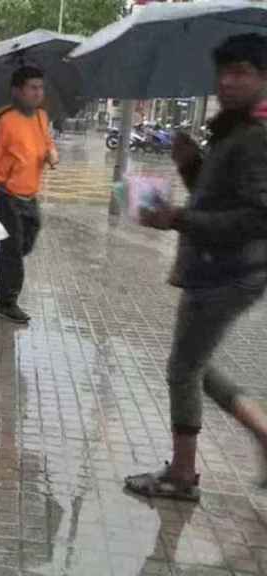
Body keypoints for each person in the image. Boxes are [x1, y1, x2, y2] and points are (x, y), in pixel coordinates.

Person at [124, 34, 267, 502]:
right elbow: (217, 192)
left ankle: (182, 475)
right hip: (216, 267)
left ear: (263, 78)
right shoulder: (234, 129)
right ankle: (261, 429)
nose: (228, 81)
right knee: (194, 365)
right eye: (223, 71)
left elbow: (255, 216)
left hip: (229, 271)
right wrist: (190, 166)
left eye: (241, 72)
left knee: (183, 368)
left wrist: (178, 218)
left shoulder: (256, 137)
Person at [0, 66, 59, 324]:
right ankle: (7, 302)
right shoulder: (2, 119)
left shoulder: (41, 117)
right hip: (5, 195)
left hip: (30, 195)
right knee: (13, 250)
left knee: (26, 242)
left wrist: (52, 154)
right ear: (17, 91)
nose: (38, 93)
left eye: (41, 88)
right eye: (32, 88)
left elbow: (47, 143)